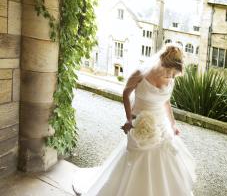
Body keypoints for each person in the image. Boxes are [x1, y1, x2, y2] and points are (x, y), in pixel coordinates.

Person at [72, 44, 196, 196]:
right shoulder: (141, 73)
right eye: (169, 72)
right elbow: (125, 93)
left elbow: (166, 101)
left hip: (162, 125)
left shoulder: (171, 79)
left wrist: (173, 124)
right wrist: (129, 118)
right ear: (162, 63)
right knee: (136, 159)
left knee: (166, 161)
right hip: (140, 122)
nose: (170, 76)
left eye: (174, 74)